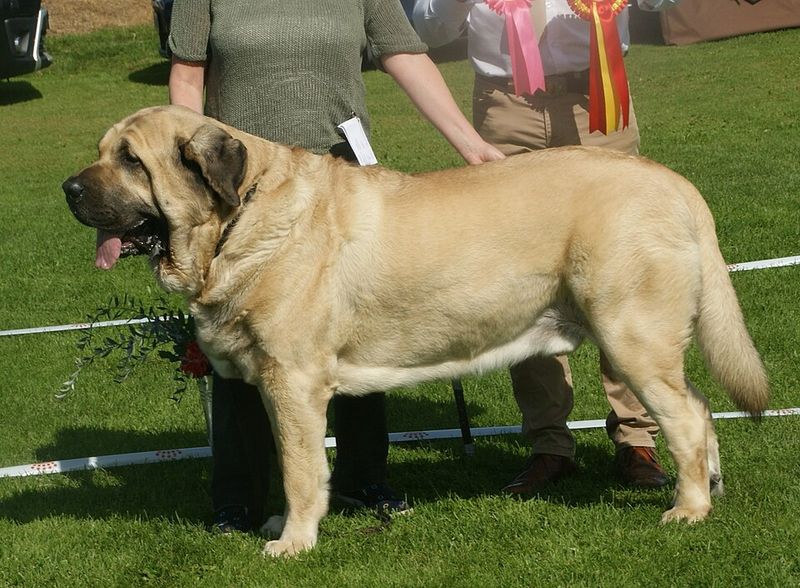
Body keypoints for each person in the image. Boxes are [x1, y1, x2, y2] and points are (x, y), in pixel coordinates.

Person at [167, 0, 504, 534]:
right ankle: (238, 498)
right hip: (241, 184)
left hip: (340, 173)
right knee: (241, 334)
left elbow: (405, 54)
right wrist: (189, 169)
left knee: (358, 326)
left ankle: (362, 477)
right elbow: (187, 77)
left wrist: (470, 144)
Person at [413, 0, 681, 493]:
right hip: (504, 108)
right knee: (521, 276)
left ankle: (637, 438)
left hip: (598, 97)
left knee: (622, 274)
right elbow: (426, 27)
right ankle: (549, 444)